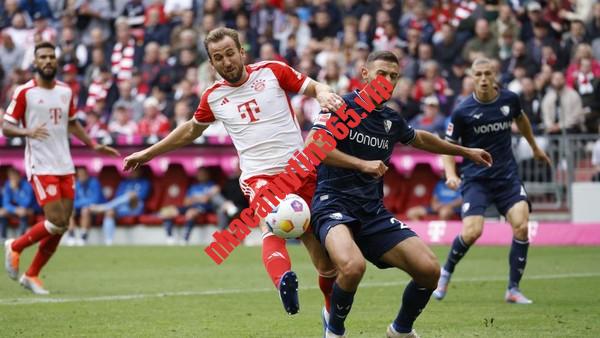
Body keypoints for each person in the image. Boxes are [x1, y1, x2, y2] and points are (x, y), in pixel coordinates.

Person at [123, 27, 343, 315]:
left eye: (229, 53)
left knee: (325, 262)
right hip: (259, 177)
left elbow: (314, 87)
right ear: (211, 65)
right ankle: (283, 280)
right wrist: (149, 152)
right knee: (271, 224)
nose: (226, 62)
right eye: (218, 57)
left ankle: (332, 320)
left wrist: (324, 92)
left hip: (301, 172)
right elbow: (190, 130)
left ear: (241, 52)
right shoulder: (213, 97)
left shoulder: (272, 71)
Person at [307, 51, 493, 338]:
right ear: (365, 74)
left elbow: (420, 138)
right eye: (382, 73)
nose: (388, 80)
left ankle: (400, 330)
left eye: (394, 76)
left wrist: (465, 151)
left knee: (429, 270)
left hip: (372, 212)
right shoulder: (341, 105)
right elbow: (314, 145)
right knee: (352, 267)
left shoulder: (391, 119)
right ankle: (335, 332)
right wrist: (361, 164)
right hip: (333, 202)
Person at [2, 42, 119, 294]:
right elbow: (7, 126)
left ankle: (31, 275)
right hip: (40, 164)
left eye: (51, 57)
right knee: (54, 220)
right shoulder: (25, 92)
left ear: (56, 61)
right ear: (35, 62)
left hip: (64, 164)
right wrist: (27, 131)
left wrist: (93, 145)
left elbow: (73, 123)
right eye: (42, 57)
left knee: (63, 224)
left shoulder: (66, 91)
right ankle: (16, 245)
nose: (47, 61)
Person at [434, 58, 552, 304]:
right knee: (472, 231)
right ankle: (445, 272)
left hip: (507, 177)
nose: (484, 79)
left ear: (495, 74)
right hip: (476, 180)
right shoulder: (462, 111)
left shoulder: (509, 100)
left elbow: (521, 120)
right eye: (479, 74)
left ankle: (513, 289)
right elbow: (448, 147)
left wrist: (535, 148)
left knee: (521, 225)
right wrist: (451, 174)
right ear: (472, 77)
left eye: (488, 73)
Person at [162, 168, 238, 245]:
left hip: (203, 207)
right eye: (199, 174)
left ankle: (185, 239)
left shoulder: (212, 185)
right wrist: (201, 198)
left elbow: (207, 199)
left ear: (208, 175)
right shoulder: (193, 187)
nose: (201, 175)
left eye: (203, 173)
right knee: (166, 212)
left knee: (191, 213)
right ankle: (170, 238)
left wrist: (197, 198)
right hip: (191, 206)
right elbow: (186, 202)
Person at [90, 168, 150, 246]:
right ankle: (109, 242)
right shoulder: (124, 183)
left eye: (136, 170)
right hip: (123, 208)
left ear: (140, 171)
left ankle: (105, 207)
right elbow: (118, 197)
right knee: (110, 212)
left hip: (136, 207)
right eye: (132, 170)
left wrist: (130, 196)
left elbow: (142, 196)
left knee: (132, 195)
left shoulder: (145, 182)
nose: (133, 172)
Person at [66, 167, 104, 246]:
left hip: (96, 210)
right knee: (69, 210)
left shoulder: (94, 183)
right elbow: (73, 201)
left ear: (87, 175)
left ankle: (83, 236)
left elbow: (95, 200)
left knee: (85, 210)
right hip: (80, 209)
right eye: (79, 175)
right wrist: (83, 203)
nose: (81, 177)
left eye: (83, 174)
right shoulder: (76, 184)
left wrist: (81, 203)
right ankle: (71, 235)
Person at [2, 167, 35, 236]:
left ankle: (21, 237)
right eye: (11, 176)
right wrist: (15, 209)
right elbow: (5, 203)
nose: (13, 178)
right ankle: (2, 238)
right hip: (16, 209)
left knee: (23, 212)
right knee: (2, 212)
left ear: (19, 176)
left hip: (30, 209)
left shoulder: (27, 185)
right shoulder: (8, 185)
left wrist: (16, 190)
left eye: (14, 175)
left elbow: (27, 202)